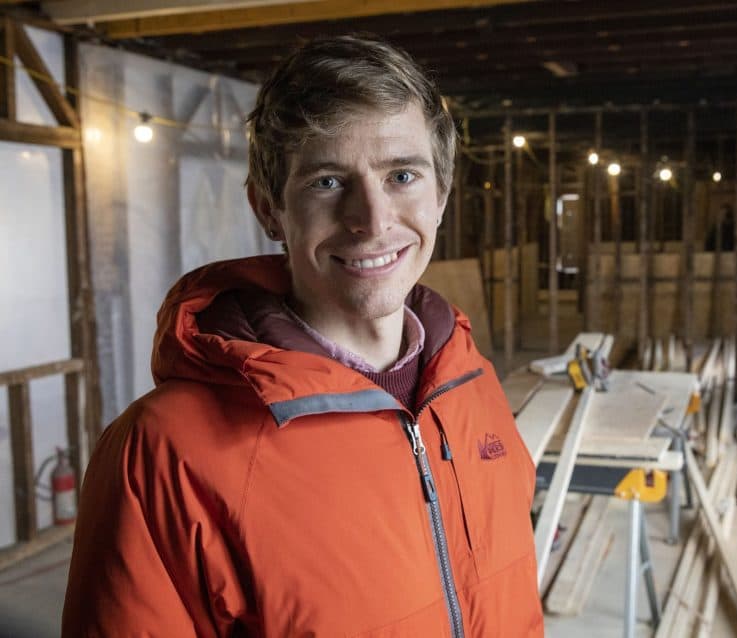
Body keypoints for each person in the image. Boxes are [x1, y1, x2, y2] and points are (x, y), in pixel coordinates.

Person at [63, 35, 543, 637]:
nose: (371, 220)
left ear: (440, 196)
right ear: (268, 207)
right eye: (326, 182)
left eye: (401, 175)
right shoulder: (164, 451)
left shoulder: (471, 386)